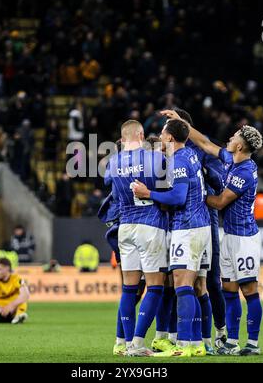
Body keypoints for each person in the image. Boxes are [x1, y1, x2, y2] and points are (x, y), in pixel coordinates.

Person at [165, 110, 263, 356]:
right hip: (229, 234)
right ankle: (231, 341)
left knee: (249, 290)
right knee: (229, 290)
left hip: (244, 238)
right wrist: (182, 124)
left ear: (239, 146)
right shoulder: (234, 160)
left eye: (234, 136)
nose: (230, 137)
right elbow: (205, 143)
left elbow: (219, 203)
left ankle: (252, 342)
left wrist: (196, 195)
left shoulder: (243, 172)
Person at [133, 119, 211, 357]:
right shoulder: (191, 155)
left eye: (162, 132)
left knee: (183, 286)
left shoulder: (178, 161)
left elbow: (178, 198)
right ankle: (196, 343)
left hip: (187, 228)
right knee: (193, 286)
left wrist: (148, 193)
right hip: (200, 225)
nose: (160, 135)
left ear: (169, 138)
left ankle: (184, 345)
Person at [106, 120, 168, 356]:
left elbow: (111, 189)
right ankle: (138, 344)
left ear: (123, 138)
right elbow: (167, 189)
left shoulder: (112, 162)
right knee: (155, 287)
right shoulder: (155, 159)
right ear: (141, 135)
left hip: (125, 227)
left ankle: (122, 342)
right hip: (150, 225)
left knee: (129, 289)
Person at [174, 109, 227, 353]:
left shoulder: (201, 151)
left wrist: (203, 180)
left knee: (209, 280)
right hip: (176, 220)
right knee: (177, 281)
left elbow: (220, 181)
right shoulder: (169, 152)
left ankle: (220, 332)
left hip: (204, 219)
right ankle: (184, 336)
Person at [0, 258, 30, 324]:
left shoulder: (16, 279)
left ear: (7, 268)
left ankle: (18, 316)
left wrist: (11, 306)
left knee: (22, 300)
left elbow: (26, 295)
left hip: (12, 312)